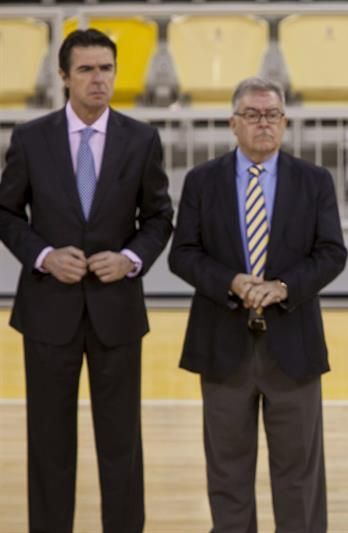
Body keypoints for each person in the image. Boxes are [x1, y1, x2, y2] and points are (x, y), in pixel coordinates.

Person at [0, 29, 174, 533]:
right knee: (49, 445)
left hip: (116, 310)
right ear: (63, 76)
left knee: (121, 444)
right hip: (47, 310)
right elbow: (6, 212)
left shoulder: (142, 138)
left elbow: (160, 217)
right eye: (86, 70)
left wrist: (129, 259)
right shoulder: (31, 138)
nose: (98, 79)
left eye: (106, 69)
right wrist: (44, 255)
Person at [168, 77, 347, 532]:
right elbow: (182, 254)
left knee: (299, 475)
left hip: (293, 346)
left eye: (272, 115)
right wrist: (230, 281)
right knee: (227, 471)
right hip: (223, 344)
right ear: (233, 123)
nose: (263, 123)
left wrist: (285, 286)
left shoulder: (314, 180)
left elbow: (331, 253)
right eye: (252, 114)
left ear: (284, 122)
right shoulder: (201, 181)